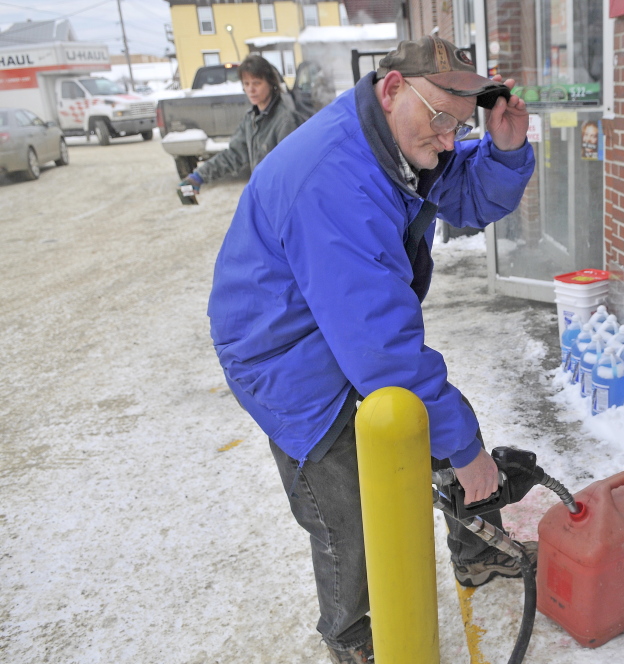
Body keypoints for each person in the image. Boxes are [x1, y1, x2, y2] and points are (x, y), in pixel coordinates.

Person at [207, 36, 535, 664]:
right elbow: (381, 349)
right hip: (283, 349)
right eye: (442, 120)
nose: (448, 139)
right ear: (391, 89)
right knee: (345, 510)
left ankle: (474, 549)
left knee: (428, 423)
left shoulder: (406, 138)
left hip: (343, 324)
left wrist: (506, 148)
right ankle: (352, 634)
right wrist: (466, 452)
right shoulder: (333, 178)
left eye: (459, 126)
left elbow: (467, 196)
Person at [177, 54, 299, 196]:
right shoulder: (251, 119)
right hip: (263, 197)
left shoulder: (285, 121)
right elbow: (233, 154)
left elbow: (291, 171)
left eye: (257, 83)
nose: (251, 90)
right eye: (246, 84)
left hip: (280, 198)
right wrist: (199, 176)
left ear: (271, 83)